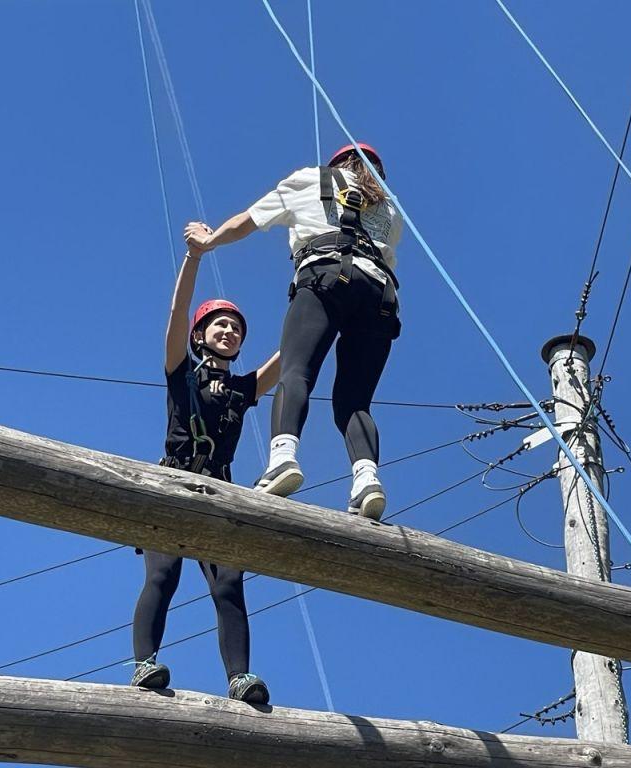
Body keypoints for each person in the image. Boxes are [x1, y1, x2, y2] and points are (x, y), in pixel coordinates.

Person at [184, 143, 402, 520]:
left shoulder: (309, 179)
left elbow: (247, 221)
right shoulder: (391, 210)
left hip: (326, 277)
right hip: (380, 296)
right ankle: (367, 479)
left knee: (296, 371)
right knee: (355, 401)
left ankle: (283, 459)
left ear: (336, 162)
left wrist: (209, 241)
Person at [130, 229, 280, 704]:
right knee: (162, 574)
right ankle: (144, 665)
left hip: (219, 491)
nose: (229, 331)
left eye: (236, 328)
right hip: (171, 479)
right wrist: (194, 257)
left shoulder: (241, 388)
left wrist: (327, 314)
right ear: (200, 336)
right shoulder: (181, 372)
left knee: (230, 584)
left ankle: (240, 678)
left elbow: (294, 356)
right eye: (219, 325)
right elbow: (176, 316)